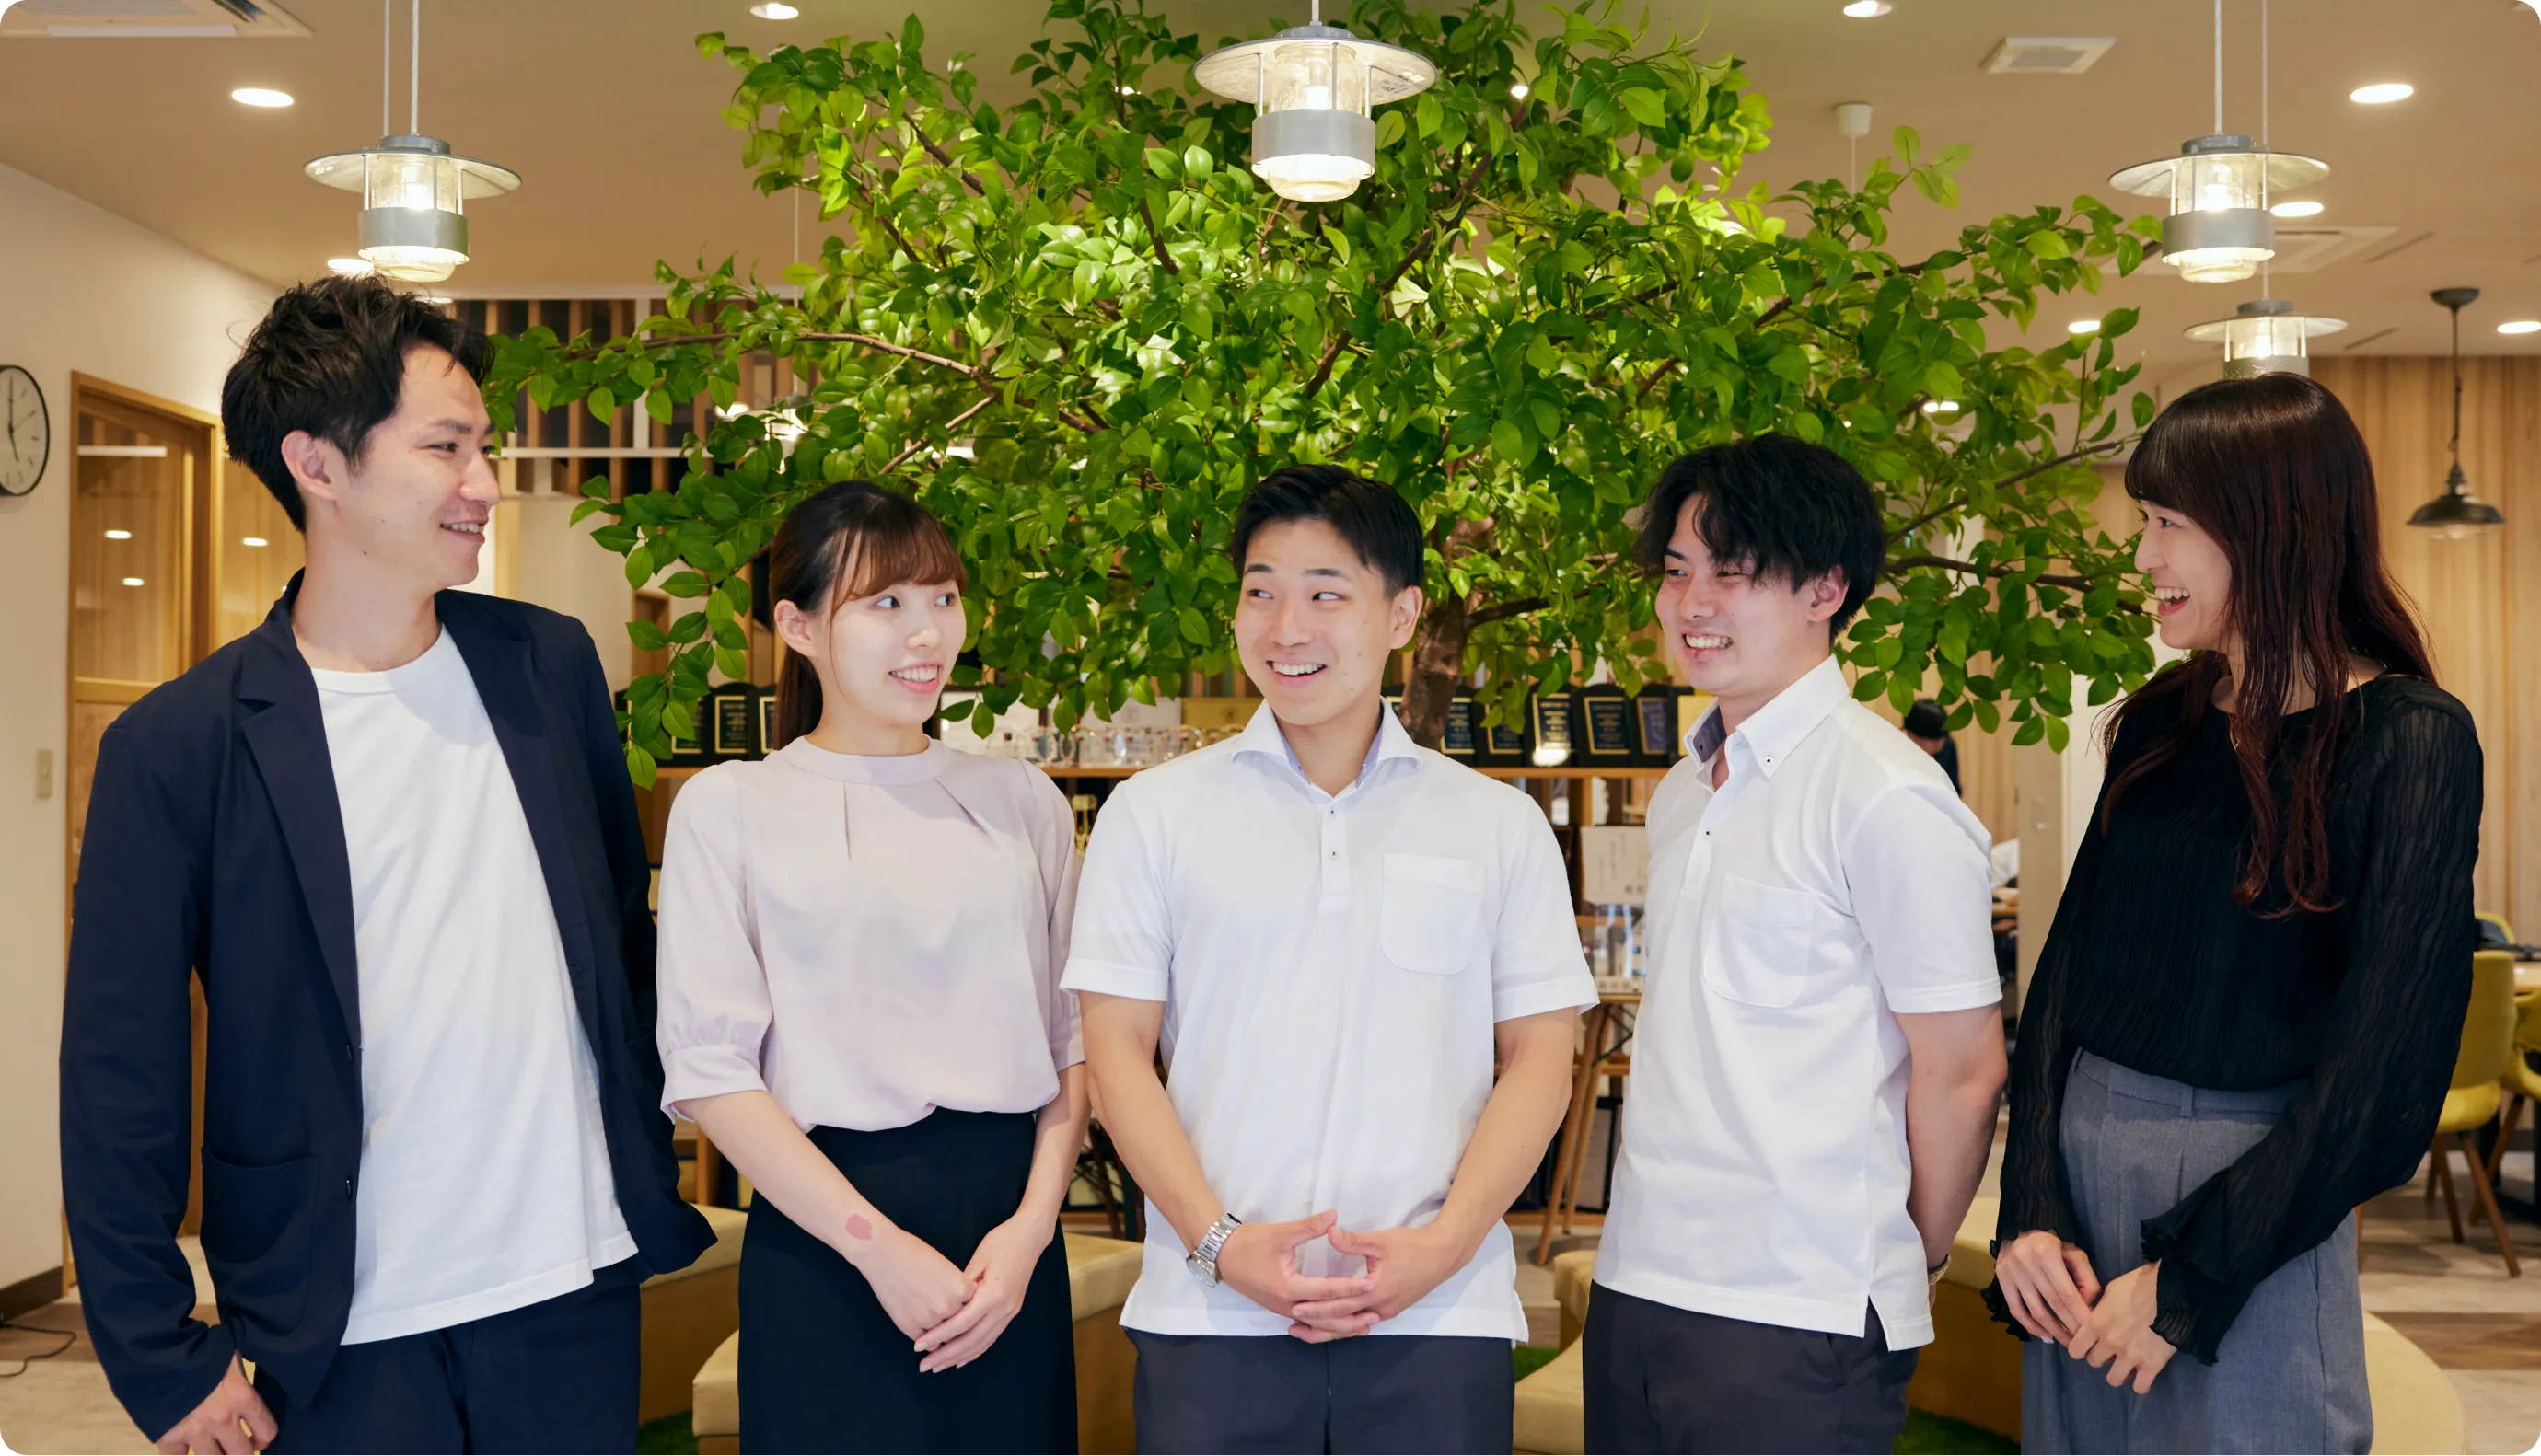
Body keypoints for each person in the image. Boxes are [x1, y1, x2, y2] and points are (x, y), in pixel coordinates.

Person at [61, 275, 713, 1456]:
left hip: (572, 1285)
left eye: (484, 446)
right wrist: (158, 1352)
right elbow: (120, 1075)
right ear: (317, 464)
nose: (485, 482)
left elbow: (623, 941)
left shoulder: (548, 666)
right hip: (345, 1323)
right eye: (445, 447)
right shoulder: (182, 744)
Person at [1989, 374, 2480, 1455]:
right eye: (2145, 521)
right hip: (2080, 1191)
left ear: (2272, 527)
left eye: (2169, 523)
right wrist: (2030, 1206)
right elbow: (2065, 975)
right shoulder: (2161, 723)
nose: (2144, 558)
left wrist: (2191, 1275)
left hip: (2256, 1203)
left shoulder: (2408, 739)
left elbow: (2383, 1070)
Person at [1066, 465, 1594, 1456]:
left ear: (1402, 614)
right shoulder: (1154, 815)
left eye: (1325, 594)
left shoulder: (1496, 824)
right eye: (1260, 591)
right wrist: (1222, 1244)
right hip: (1210, 1313)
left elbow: (1540, 1057)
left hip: (1437, 1316)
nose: (1286, 627)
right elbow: (1117, 1053)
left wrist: (1442, 1248)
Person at [1584, 435, 2008, 1456]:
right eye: (1677, 571)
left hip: (1799, 1306)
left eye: (1733, 572)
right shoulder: (1685, 790)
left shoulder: (1886, 794)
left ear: (1827, 588)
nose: (1692, 604)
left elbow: (1963, 1070)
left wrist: (1906, 1253)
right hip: (1638, 1281)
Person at [655, 480, 1088, 1453]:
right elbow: (712, 1068)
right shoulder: (731, 808)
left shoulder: (1022, 800)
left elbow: (1072, 1040)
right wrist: (879, 1249)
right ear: (798, 626)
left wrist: (1032, 1230)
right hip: (826, 1235)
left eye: (943, 597)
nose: (926, 632)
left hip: (1008, 1239)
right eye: (885, 602)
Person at [1903, 697, 1963, 794]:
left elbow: (1954, 790)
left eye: (1942, 738)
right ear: (1910, 735)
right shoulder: (1892, 748)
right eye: (1933, 739)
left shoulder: (1947, 745)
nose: (1940, 745)